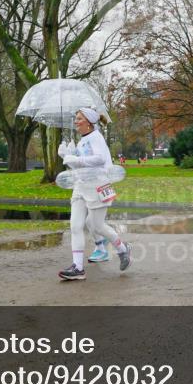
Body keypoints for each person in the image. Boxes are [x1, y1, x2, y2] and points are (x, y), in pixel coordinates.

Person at [58, 108, 132, 281]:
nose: (75, 121)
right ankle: (78, 268)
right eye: (76, 118)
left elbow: (99, 159)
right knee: (75, 226)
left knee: (96, 226)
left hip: (97, 186)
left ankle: (122, 249)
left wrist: (76, 158)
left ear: (89, 122)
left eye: (79, 119)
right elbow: (81, 164)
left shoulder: (96, 137)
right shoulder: (83, 139)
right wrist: (67, 155)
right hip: (80, 186)